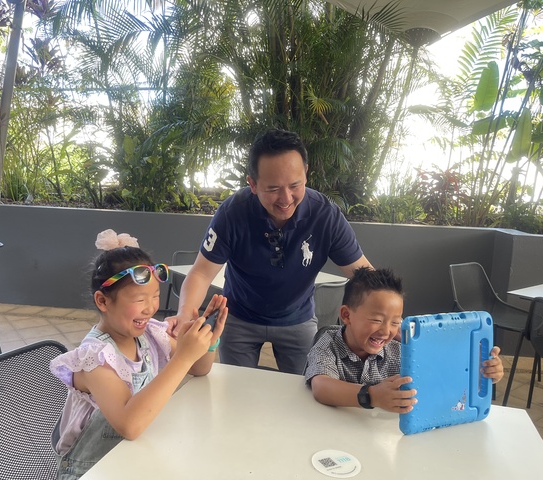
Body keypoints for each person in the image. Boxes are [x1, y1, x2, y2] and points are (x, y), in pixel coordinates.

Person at [167, 128, 372, 374]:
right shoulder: (232, 213)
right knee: (236, 387)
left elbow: (363, 275)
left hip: (299, 318)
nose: (286, 199)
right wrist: (184, 314)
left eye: (295, 185)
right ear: (252, 184)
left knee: (305, 386)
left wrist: (389, 315)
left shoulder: (325, 215)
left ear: (306, 173)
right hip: (239, 317)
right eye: (273, 189)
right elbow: (201, 273)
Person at [50, 229, 227, 479]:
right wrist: (183, 357)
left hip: (134, 456)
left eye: (155, 296)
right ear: (103, 301)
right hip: (92, 469)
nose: (150, 308)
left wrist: (207, 339)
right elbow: (129, 425)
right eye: (139, 299)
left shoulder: (149, 335)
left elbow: (199, 369)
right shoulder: (94, 358)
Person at [304, 267, 504, 412]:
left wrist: (482, 371)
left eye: (395, 322)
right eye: (377, 320)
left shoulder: (400, 352)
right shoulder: (328, 343)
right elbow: (322, 387)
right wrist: (372, 395)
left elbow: (442, 374)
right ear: (346, 315)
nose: (386, 331)